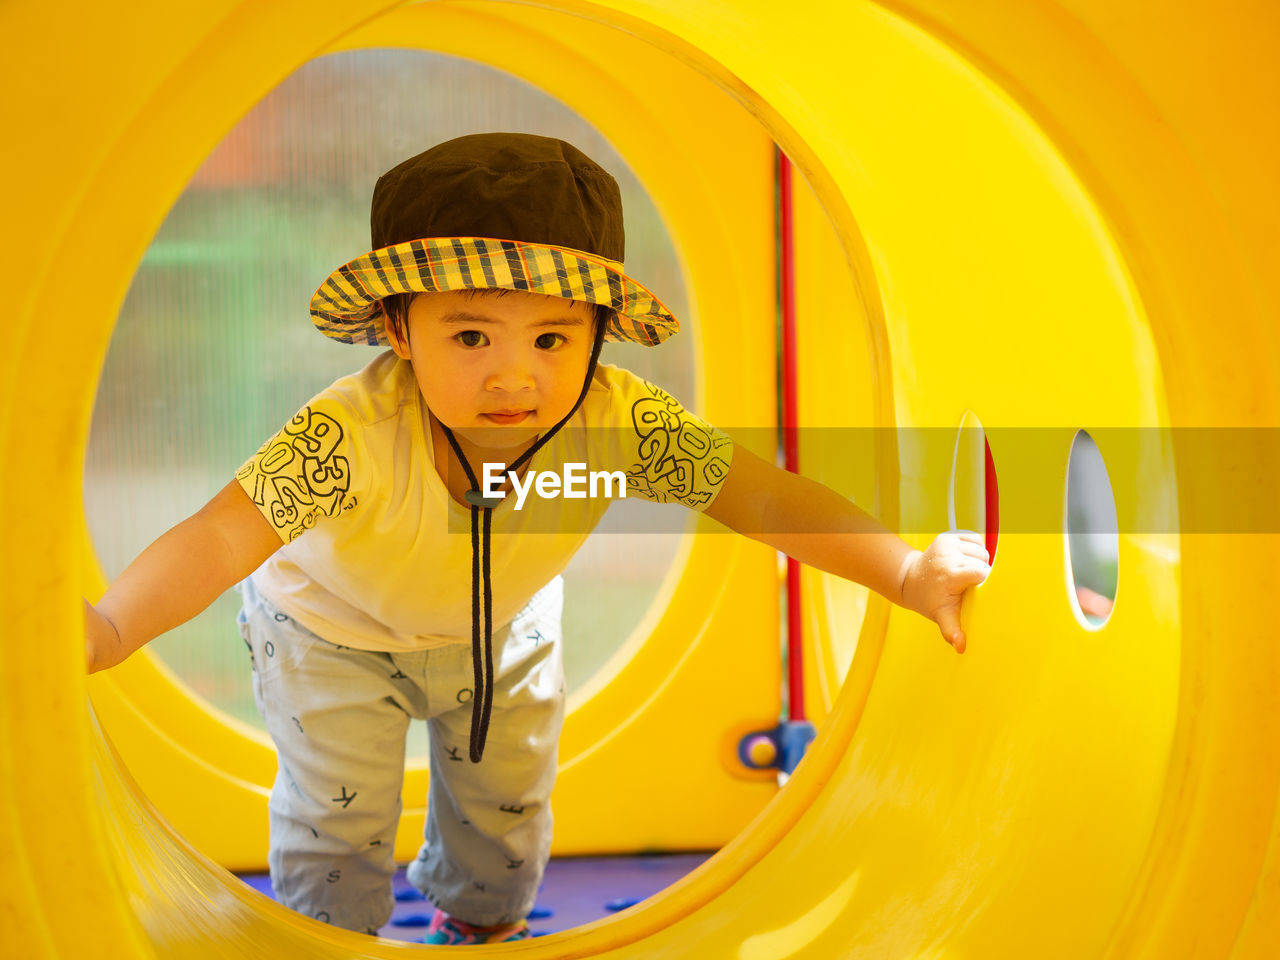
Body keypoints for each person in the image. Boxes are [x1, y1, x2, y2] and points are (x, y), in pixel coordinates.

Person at [83, 133, 990, 944]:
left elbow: (764, 498)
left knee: (505, 825)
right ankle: (335, 942)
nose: (514, 375)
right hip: (329, 633)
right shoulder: (350, 433)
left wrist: (907, 572)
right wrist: (113, 627)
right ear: (399, 327)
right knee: (335, 825)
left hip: (501, 627)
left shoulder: (618, 421)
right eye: (471, 334)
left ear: (599, 335)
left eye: (553, 338)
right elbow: (219, 535)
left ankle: (478, 924)